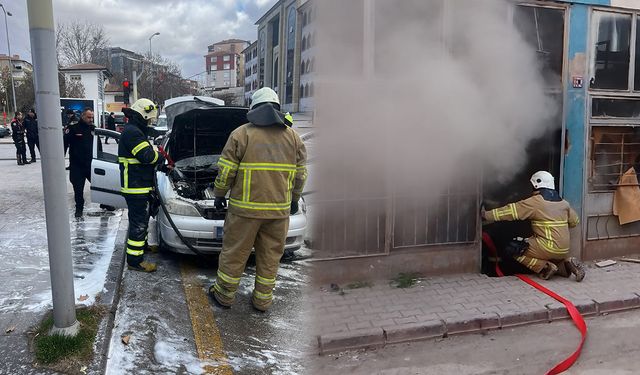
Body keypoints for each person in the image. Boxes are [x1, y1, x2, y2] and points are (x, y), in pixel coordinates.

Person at [209, 87, 307, 311]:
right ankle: (262, 300)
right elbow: (301, 175)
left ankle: (224, 296)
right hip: (278, 213)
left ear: (254, 107)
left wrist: (219, 195)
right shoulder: (293, 137)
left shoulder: (241, 134)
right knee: (270, 256)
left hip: (244, 212)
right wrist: (294, 199)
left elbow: (226, 171)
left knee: (234, 253)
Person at [482, 171, 585, 281]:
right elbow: (575, 221)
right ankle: (566, 264)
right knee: (545, 250)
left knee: (514, 248)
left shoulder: (535, 202)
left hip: (547, 247)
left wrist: (486, 215)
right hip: (564, 249)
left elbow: (510, 211)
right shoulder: (564, 203)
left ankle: (545, 267)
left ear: (536, 185)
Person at [119, 98, 168, 273]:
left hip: (139, 185)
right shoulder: (133, 133)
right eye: (149, 119)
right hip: (135, 187)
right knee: (138, 224)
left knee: (143, 220)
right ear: (143, 115)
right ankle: (135, 261)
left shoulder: (134, 130)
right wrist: (160, 157)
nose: (149, 123)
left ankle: (143, 247)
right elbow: (146, 156)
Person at [64, 108, 95, 218]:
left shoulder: (93, 129)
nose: (91, 119)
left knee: (98, 185)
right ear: (82, 116)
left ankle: (105, 203)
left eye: (92, 117)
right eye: (88, 117)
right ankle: (79, 209)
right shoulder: (73, 128)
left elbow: (98, 147)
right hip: (77, 165)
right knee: (78, 189)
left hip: (91, 165)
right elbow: (64, 144)